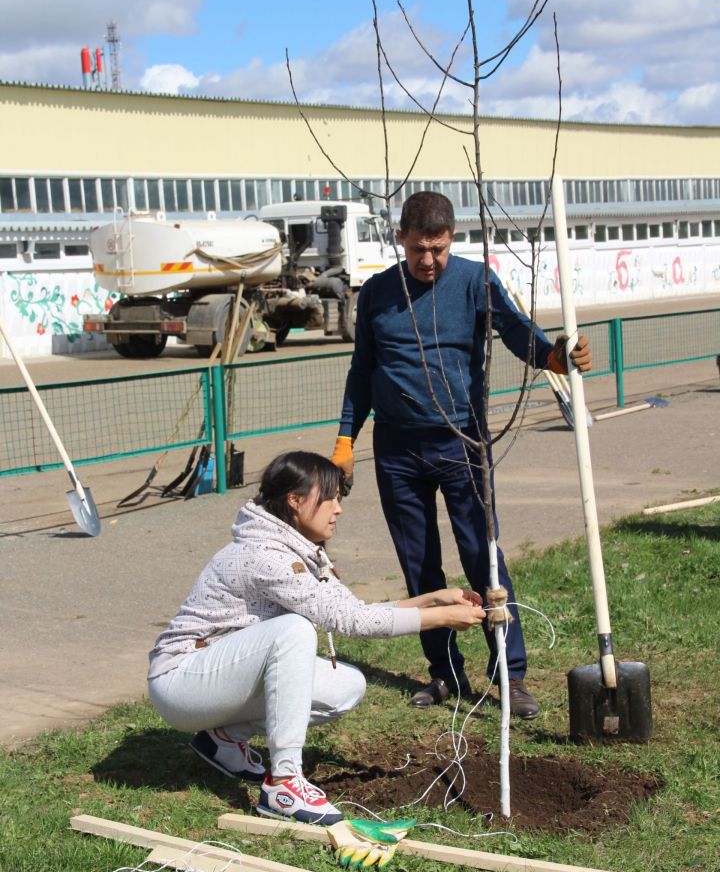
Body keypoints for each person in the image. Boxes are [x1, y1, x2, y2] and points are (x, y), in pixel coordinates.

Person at [331, 191, 591, 719]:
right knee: (419, 563)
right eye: (419, 249)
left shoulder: (474, 281)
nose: (429, 261)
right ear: (400, 238)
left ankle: (509, 674)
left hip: (460, 442)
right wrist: (344, 440)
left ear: (452, 240)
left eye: (440, 249)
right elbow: (362, 372)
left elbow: (516, 331)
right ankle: (444, 671)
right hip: (397, 450)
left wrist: (554, 354)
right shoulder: (378, 293)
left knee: (482, 556)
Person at [147, 450, 484, 825]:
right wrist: (440, 618)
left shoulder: (293, 547)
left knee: (346, 685)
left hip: (218, 675)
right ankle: (285, 783)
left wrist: (433, 600)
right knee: (293, 630)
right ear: (295, 500)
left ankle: (224, 739)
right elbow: (351, 621)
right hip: (180, 682)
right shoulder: (265, 555)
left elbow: (353, 610)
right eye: (329, 498)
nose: (338, 509)